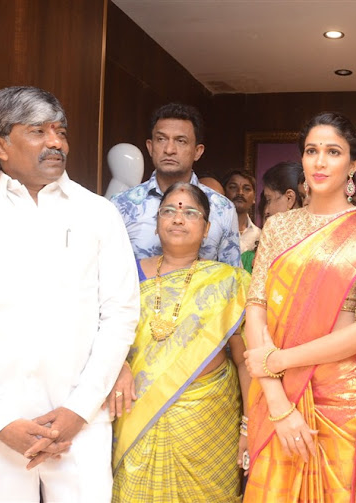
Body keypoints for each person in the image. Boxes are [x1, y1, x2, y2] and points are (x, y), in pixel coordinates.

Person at [0, 86, 140, 502]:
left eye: (60, 131)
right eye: (38, 131)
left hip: (82, 424)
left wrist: (78, 411)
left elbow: (120, 315)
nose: (56, 142)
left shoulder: (98, 214)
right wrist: (0, 421)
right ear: (0, 145)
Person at [241, 112, 356, 502]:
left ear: (352, 165)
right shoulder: (280, 227)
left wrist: (280, 360)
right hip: (277, 393)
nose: (319, 161)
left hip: (339, 400)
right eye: (311, 151)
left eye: (333, 152)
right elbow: (256, 307)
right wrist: (278, 403)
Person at [110, 182, 251, 502]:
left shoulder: (230, 282)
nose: (178, 218)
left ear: (207, 228)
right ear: (157, 222)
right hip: (138, 416)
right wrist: (118, 364)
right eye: (169, 211)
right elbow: (103, 336)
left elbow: (246, 361)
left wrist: (249, 428)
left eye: (190, 212)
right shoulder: (126, 277)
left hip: (209, 424)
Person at [111, 103, 241, 266]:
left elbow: (232, 277)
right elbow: (110, 272)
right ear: (150, 147)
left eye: (181, 141)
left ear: (198, 151)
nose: (169, 149)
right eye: (161, 139)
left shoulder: (222, 208)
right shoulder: (121, 205)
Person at [224, 169, 261, 253]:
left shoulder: (260, 236)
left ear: (254, 198)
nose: (240, 192)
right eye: (233, 187)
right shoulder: (214, 231)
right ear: (223, 194)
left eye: (247, 189)